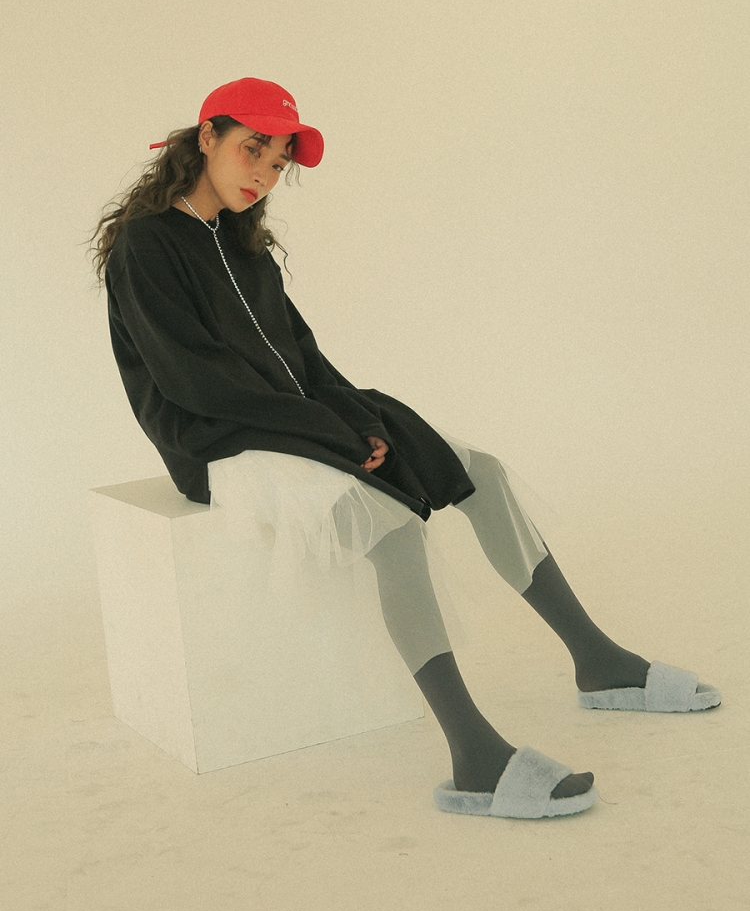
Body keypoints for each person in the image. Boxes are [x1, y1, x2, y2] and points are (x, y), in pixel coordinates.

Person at [91, 77, 720, 820]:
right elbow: (194, 381)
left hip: (295, 417)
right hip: (218, 443)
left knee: (476, 471)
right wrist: (328, 432)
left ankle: (599, 660)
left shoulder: (243, 243)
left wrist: (361, 420)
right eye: (252, 149)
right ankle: (475, 756)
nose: (263, 173)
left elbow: (305, 358)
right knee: (390, 528)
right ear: (207, 138)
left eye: (279, 160)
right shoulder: (146, 244)